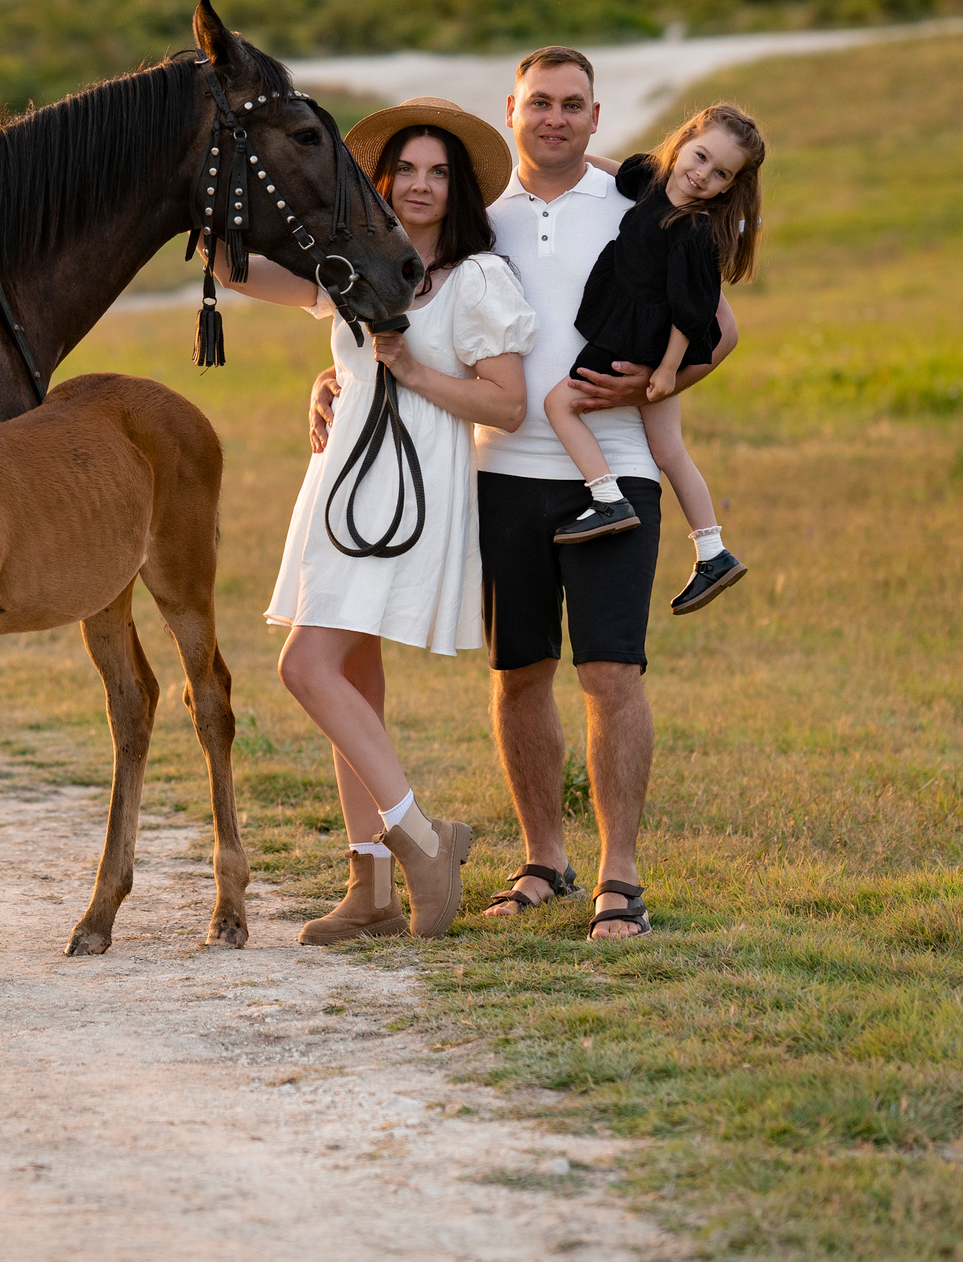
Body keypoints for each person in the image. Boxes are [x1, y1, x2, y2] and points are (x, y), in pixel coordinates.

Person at [312, 50, 739, 940]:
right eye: (539, 102)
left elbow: (722, 329)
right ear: (510, 110)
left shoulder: (640, 200)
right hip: (500, 473)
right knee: (518, 676)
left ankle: (620, 877)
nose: (555, 117)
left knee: (612, 673)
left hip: (613, 471)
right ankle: (544, 857)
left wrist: (650, 389)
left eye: (572, 105)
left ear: (595, 116)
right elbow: (408, 315)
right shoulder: (484, 221)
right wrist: (328, 380)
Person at [218, 99, 537, 944]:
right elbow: (245, 275)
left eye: (439, 172)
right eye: (407, 171)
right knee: (353, 679)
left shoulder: (477, 279)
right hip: (340, 480)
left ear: (456, 188)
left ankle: (423, 836)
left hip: (414, 488)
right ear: (381, 182)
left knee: (305, 665)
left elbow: (506, 404)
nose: (421, 186)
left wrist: (410, 367)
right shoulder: (355, 262)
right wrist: (217, 203)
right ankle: (371, 887)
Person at [543, 103, 764, 616]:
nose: (702, 174)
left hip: (634, 339)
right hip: (638, 333)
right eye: (701, 156)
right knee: (668, 450)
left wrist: (666, 372)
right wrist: (571, 160)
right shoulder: (654, 181)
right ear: (684, 140)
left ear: (730, 186)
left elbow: (691, 315)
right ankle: (713, 551)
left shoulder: (693, 230)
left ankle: (606, 497)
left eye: (720, 174)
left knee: (558, 405)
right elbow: (619, 170)